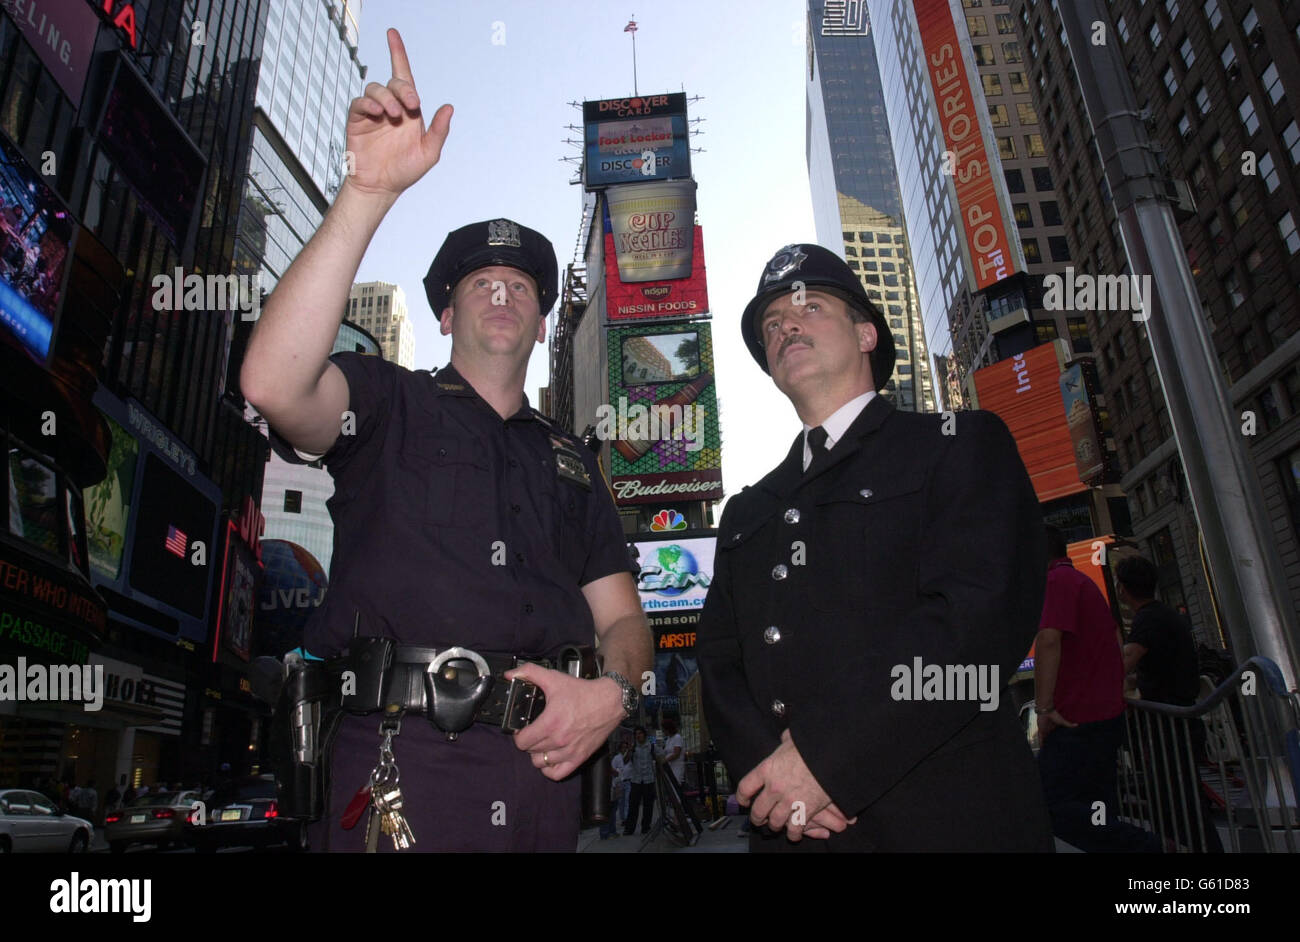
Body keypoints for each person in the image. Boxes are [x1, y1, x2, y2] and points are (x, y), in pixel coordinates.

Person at [241, 29, 651, 852]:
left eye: (521, 288)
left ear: (540, 324)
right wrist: (367, 192)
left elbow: (625, 621)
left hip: (544, 777)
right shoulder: (386, 401)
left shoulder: (576, 465)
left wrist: (614, 695)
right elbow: (273, 385)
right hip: (391, 768)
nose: (501, 294)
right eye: (479, 284)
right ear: (444, 315)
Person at [697, 243, 1053, 852]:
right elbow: (721, 663)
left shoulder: (958, 444)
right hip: (795, 833)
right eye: (771, 324)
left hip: (947, 825)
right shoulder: (747, 510)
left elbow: (977, 621)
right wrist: (773, 781)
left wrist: (824, 759)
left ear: (867, 334)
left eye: (808, 308)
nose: (786, 325)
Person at [1035, 526, 1159, 852]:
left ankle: (1149, 848)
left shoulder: (1056, 583)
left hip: (1077, 717)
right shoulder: (1083, 584)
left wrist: (1044, 709)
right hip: (1104, 714)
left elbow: (1048, 640)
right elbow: (1116, 640)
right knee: (1099, 807)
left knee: (1049, 804)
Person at [1118, 555, 1223, 852]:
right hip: (1175, 724)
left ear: (1122, 589)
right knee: (1176, 805)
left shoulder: (1148, 620)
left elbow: (1123, 663)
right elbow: (1156, 668)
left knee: (1178, 805)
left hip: (1171, 728)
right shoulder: (1163, 616)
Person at [623, 727, 658, 836]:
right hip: (636, 780)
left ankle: (645, 827)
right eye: (636, 734)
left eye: (640, 733)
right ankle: (629, 828)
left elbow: (660, 759)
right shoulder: (633, 748)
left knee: (648, 805)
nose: (638, 736)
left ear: (645, 735)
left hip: (649, 780)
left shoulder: (652, 747)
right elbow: (625, 761)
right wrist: (629, 750)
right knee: (633, 805)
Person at [659, 718, 686, 787]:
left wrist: (665, 760)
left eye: (664, 729)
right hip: (670, 767)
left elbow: (676, 754)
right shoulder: (668, 739)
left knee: (676, 785)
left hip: (677, 767)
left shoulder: (677, 737)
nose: (663, 731)